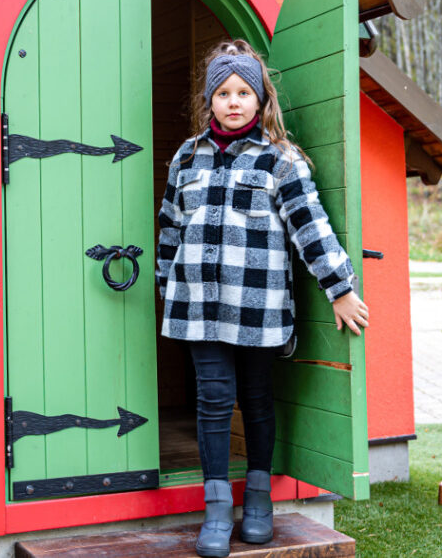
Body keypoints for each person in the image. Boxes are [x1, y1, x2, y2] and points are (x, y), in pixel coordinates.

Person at [155, 39, 369, 557]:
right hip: (197, 307)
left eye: (243, 92)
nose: (233, 101)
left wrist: (339, 288)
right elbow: (169, 228)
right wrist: (166, 289)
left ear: (261, 99)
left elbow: (310, 226)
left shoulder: (281, 160)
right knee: (212, 401)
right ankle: (214, 511)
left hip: (258, 307)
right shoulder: (187, 156)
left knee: (254, 399)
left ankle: (257, 502)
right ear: (209, 100)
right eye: (223, 92)